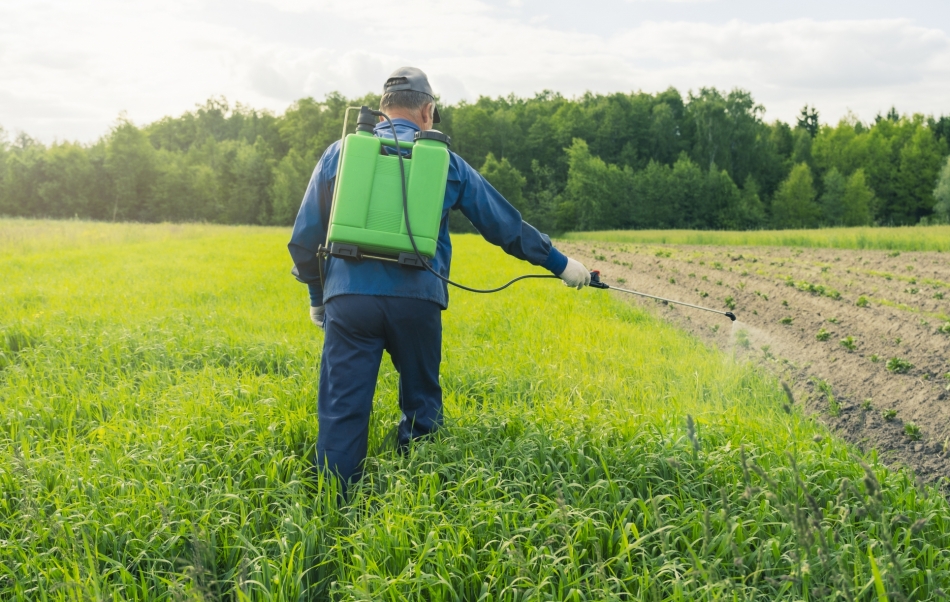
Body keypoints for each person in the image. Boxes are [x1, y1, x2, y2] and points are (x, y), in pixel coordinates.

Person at [288, 66, 590, 493]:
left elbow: (304, 240)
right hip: (418, 301)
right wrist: (561, 264)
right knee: (421, 404)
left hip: (349, 302)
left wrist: (319, 298)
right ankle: (418, 497)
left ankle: (335, 505)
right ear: (427, 111)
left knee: (342, 409)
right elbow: (504, 225)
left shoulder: (341, 152)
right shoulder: (447, 162)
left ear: (381, 109)